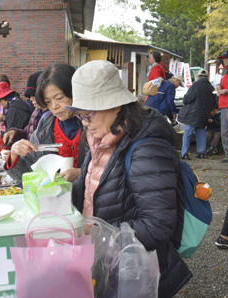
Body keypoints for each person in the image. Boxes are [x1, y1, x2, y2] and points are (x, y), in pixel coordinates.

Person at [69, 60, 192, 297]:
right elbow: (91, 189)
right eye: (79, 115)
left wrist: (95, 234)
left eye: (88, 114)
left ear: (116, 106)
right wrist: (61, 193)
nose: (84, 122)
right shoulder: (101, 137)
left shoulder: (147, 149)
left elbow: (158, 225)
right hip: (106, 261)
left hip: (132, 272)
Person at [4, 64, 85, 183]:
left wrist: (82, 173)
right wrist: (14, 154)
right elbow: (28, 176)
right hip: (55, 199)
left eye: (59, 98)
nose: (54, 106)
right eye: (48, 102)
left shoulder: (93, 125)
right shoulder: (45, 127)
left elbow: (112, 170)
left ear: (74, 92)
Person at [178, 69, 217, 160]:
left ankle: (185, 153)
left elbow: (187, 99)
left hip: (192, 114)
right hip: (204, 114)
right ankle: (201, 153)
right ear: (207, 77)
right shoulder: (211, 88)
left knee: (188, 133)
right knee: (201, 132)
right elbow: (214, 102)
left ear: (198, 77)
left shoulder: (195, 85)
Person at [2, 71, 50, 145]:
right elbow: (27, 132)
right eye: (29, 96)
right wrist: (14, 133)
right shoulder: (36, 111)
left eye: (33, 95)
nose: (31, 99)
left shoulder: (50, 116)